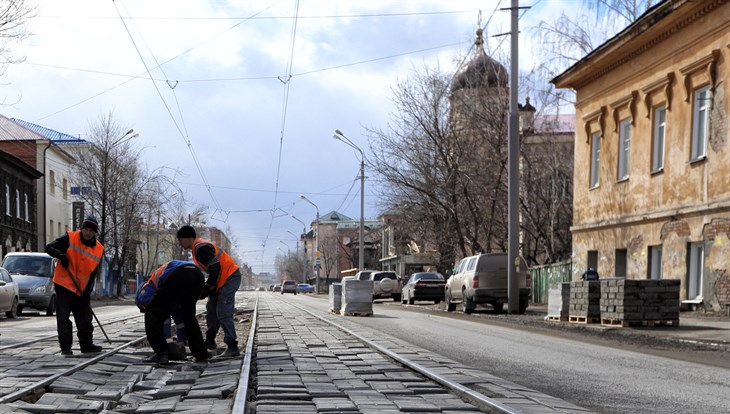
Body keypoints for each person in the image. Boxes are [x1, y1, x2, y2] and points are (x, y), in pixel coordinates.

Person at [176, 225, 242, 358]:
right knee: (211, 308)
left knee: (223, 311)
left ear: (189, 238)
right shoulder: (197, 248)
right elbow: (213, 269)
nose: (180, 243)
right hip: (222, 279)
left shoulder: (201, 248)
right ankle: (210, 341)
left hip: (229, 277)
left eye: (181, 240)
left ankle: (232, 346)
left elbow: (215, 267)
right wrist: (208, 287)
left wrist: (208, 287)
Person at [45, 216, 104, 356]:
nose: (87, 232)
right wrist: (61, 256)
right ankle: (66, 348)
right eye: (86, 229)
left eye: (91, 230)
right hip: (64, 284)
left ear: (95, 233)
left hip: (80, 289)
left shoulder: (99, 249)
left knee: (84, 318)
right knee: (63, 317)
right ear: (82, 228)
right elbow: (49, 247)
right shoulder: (70, 238)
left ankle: (87, 346)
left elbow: (93, 274)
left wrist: (87, 291)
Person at [136, 260, 209, 364]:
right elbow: (178, 317)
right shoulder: (165, 290)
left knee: (152, 313)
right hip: (197, 275)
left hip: (179, 275)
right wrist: (181, 341)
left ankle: (161, 353)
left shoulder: (145, 291)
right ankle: (201, 355)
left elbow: (158, 311)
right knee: (188, 317)